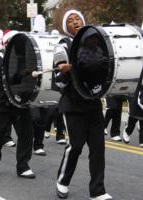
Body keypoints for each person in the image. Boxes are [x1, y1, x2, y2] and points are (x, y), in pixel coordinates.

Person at [55, 9, 112, 200]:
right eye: (70, 20)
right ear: (66, 27)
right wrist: (64, 71)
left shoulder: (95, 43)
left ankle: (97, 191)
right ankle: (62, 180)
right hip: (73, 104)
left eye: (78, 18)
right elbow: (59, 81)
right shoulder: (63, 45)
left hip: (93, 102)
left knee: (98, 147)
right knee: (76, 145)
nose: (75, 22)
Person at [0, 29, 36, 178]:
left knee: (27, 133)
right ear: (6, 43)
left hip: (20, 101)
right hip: (1, 103)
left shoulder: (27, 58)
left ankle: (23, 165)